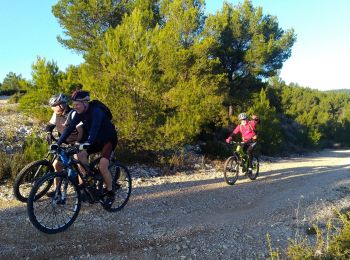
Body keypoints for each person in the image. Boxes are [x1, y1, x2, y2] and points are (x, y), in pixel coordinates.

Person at [53, 90, 118, 208]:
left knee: (103, 166)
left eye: (77, 104)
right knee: (80, 155)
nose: (75, 107)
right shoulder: (79, 112)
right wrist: (58, 143)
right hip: (95, 140)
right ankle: (89, 179)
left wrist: (86, 144)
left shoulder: (96, 111)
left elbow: (94, 130)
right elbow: (69, 129)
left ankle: (110, 192)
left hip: (108, 139)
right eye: (73, 104)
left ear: (85, 103)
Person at [45, 94, 84, 195]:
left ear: (62, 105)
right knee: (56, 165)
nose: (52, 108)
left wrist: (77, 143)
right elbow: (49, 126)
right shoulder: (56, 114)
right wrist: (48, 132)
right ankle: (57, 190)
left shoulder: (73, 114)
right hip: (64, 144)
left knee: (79, 164)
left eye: (54, 106)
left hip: (76, 143)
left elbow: (81, 131)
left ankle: (83, 189)